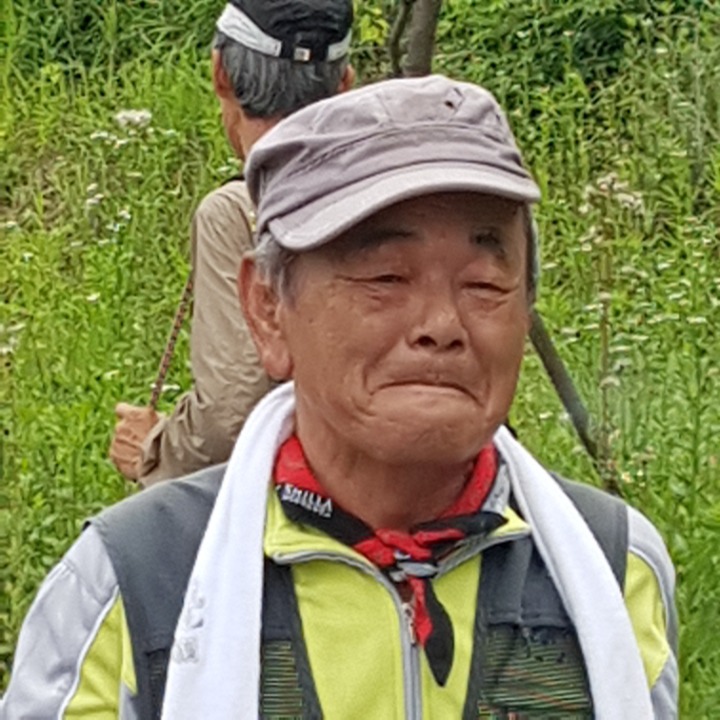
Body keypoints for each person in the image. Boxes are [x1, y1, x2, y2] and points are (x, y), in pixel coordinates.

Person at [1, 76, 677, 718]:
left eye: (483, 283)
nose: (441, 325)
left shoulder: (612, 570)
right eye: (385, 277)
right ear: (268, 311)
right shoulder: (138, 584)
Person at [109, 0, 355, 486]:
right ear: (344, 84)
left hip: (306, 497)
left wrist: (156, 451)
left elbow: (230, 412)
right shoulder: (394, 186)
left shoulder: (235, 212)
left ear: (219, 72)